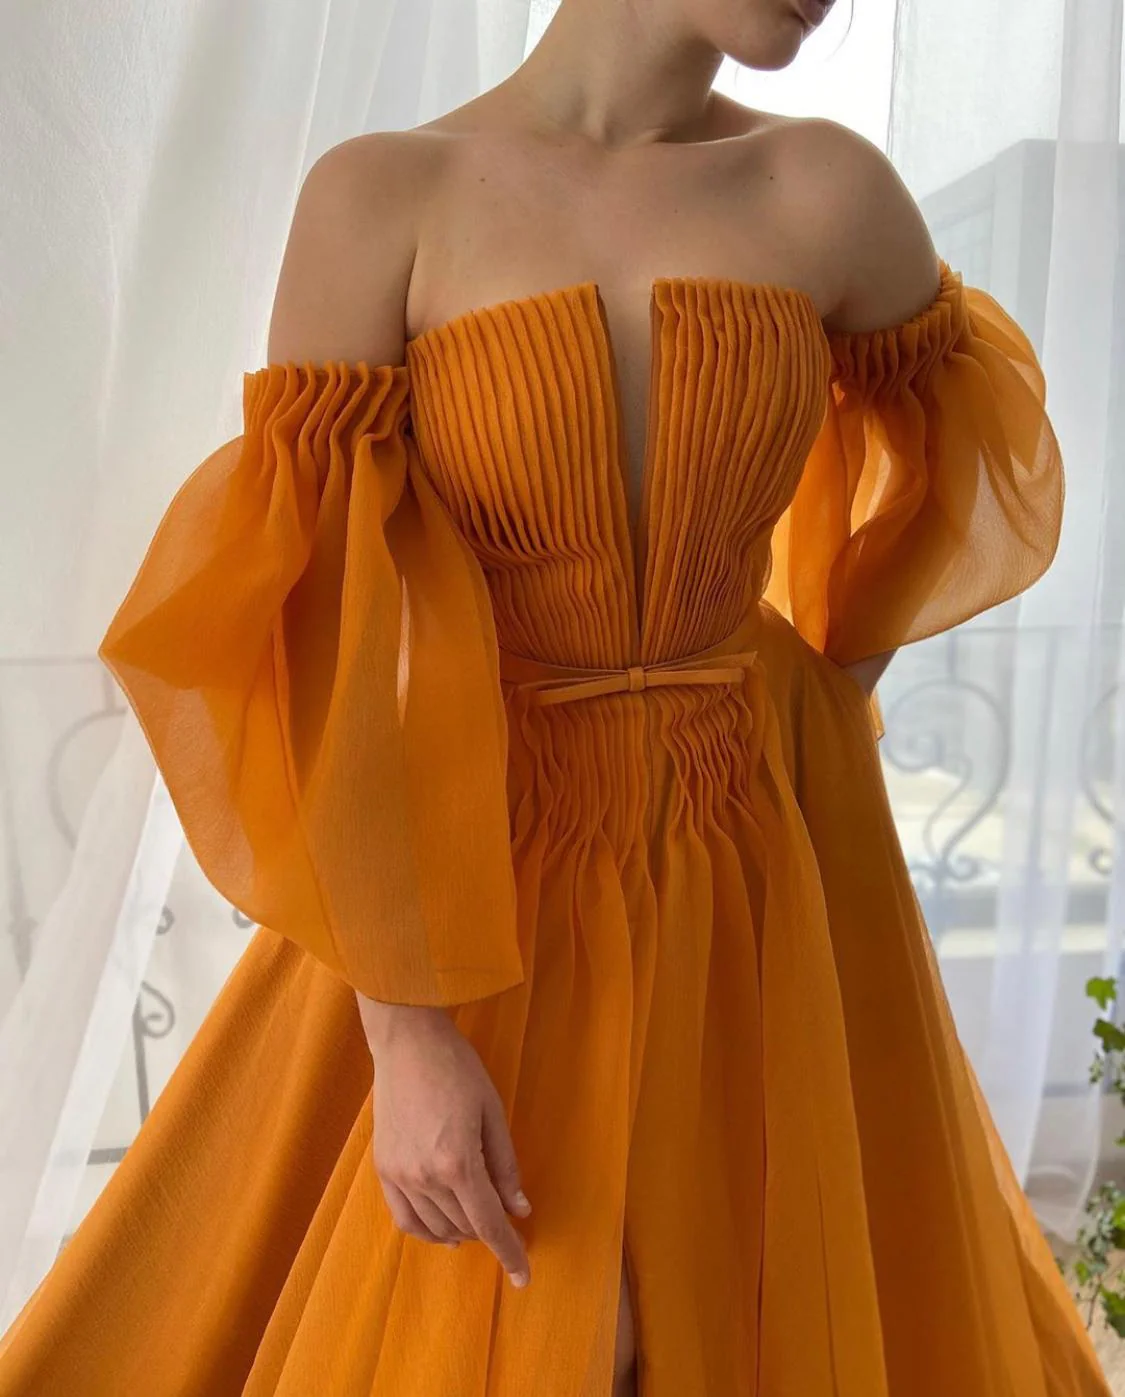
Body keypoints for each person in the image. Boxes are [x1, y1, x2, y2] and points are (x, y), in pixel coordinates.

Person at [0, 0, 1112, 1393]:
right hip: (481, 881)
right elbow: (323, 637)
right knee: (536, 1325)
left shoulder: (827, 191)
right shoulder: (385, 197)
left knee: (735, 1313)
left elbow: (956, 451)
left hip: (755, 857)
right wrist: (405, 1031)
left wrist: (800, 706)